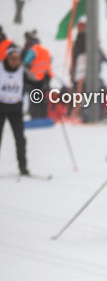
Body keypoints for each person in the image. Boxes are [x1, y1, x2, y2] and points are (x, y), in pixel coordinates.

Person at [0, 45, 29, 175]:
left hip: (16, 109)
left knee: (20, 139)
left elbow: (35, 82)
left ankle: (23, 167)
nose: (14, 62)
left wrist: (44, 83)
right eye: (12, 58)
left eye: (17, 59)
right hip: (1, 108)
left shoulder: (22, 71)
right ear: (7, 57)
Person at [22, 32, 51, 120]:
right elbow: (50, 60)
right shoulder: (46, 50)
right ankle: (43, 115)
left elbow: (26, 62)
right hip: (46, 77)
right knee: (43, 97)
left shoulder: (33, 50)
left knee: (34, 97)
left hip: (35, 77)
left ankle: (34, 115)